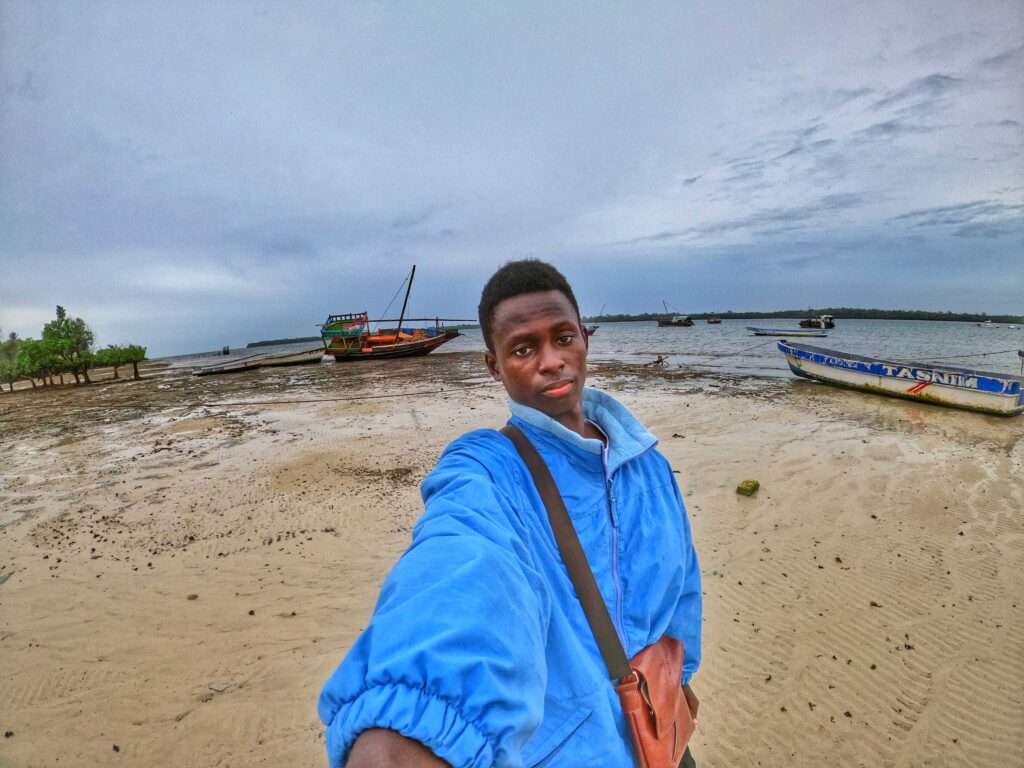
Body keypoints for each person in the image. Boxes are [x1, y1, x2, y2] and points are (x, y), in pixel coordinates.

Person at [318, 259, 702, 767]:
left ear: (585, 338)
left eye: (563, 337)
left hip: (660, 737)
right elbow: (462, 567)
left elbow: (683, 603)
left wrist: (676, 688)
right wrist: (409, 728)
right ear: (494, 366)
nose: (551, 361)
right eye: (524, 348)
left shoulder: (649, 465)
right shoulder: (489, 471)